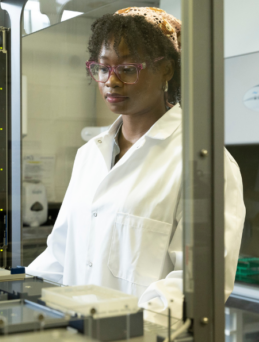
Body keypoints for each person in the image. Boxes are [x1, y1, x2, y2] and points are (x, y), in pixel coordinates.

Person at [25, 7, 245, 322]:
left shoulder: (202, 160)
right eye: (102, 69)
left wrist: (130, 330)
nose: (111, 82)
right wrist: (24, 301)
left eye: (128, 69)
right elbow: (60, 256)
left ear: (167, 70)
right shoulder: (89, 154)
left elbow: (194, 284)